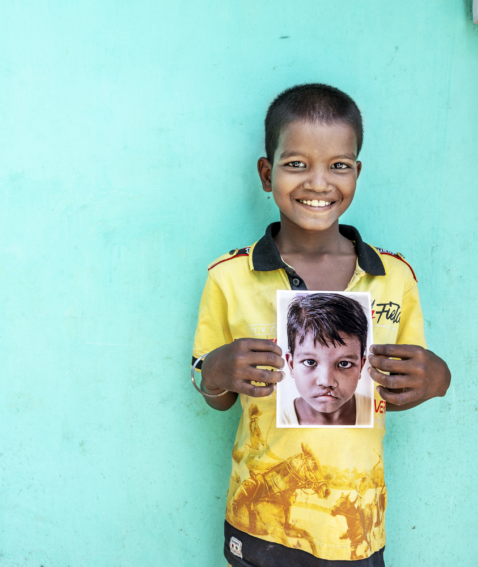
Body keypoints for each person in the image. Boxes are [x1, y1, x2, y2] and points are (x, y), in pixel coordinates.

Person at [191, 84, 451, 566]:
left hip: (356, 529)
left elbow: (395, 390)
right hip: (258, 523)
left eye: (338, 165)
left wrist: (437, 380)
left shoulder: (394, 278)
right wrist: (213, 373)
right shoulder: (228, 277)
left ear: (356, 172)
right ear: (266, 174)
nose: (318, 182)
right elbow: (218, 394)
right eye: (296, 164)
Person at [279, 293, 373, 427]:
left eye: (344, 364)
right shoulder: (277, 420)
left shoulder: (374, 413)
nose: (327, 382)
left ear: (361, 366)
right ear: (291, 364)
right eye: (310, 362)